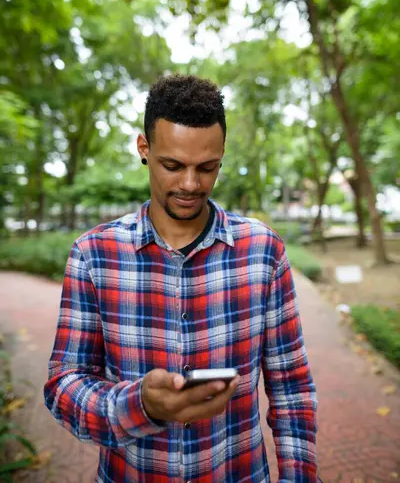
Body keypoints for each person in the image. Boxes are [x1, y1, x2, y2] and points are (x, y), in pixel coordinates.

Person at [44, 74, 318, 483]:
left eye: (207, 168)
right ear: (144, 148)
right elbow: (63, 386)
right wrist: (141, 405)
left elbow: (292, 388)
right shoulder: (93, 254)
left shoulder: (263, 251)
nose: (191, 184)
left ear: (222, 154)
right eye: (172, 166)